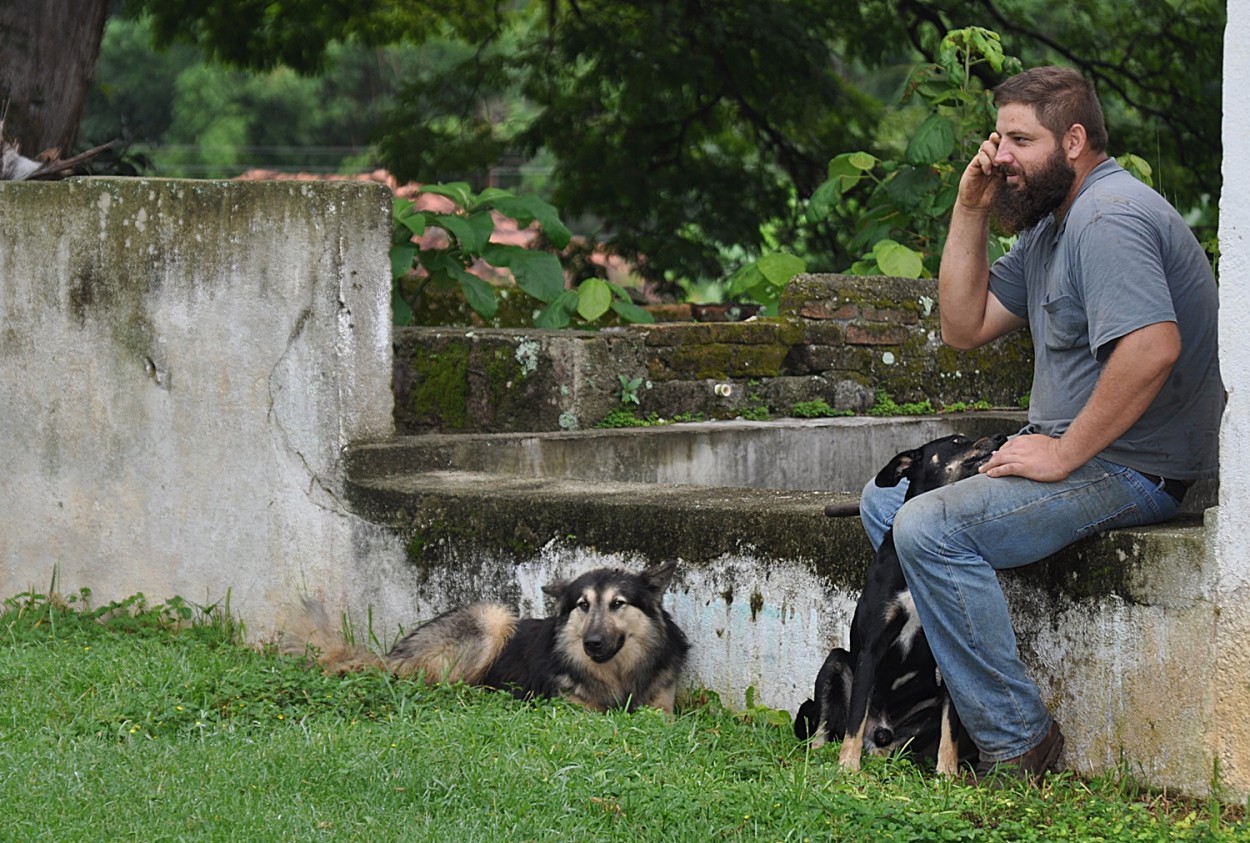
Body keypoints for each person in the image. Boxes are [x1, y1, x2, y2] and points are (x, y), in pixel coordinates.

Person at [858, 65, 1224, 782]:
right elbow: (964, 326)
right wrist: (969, 208)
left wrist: (1060, 454)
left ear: (1076, 139)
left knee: (929, 527)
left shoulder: (1107, 215)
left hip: (1133, 467)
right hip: (1085, 455)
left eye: (1020, 140)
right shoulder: (1055, 226)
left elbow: (1152, 347)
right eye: (999, 138)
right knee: (886, 503)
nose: (1001, 156)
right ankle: (955, 692)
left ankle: (1017, 738)